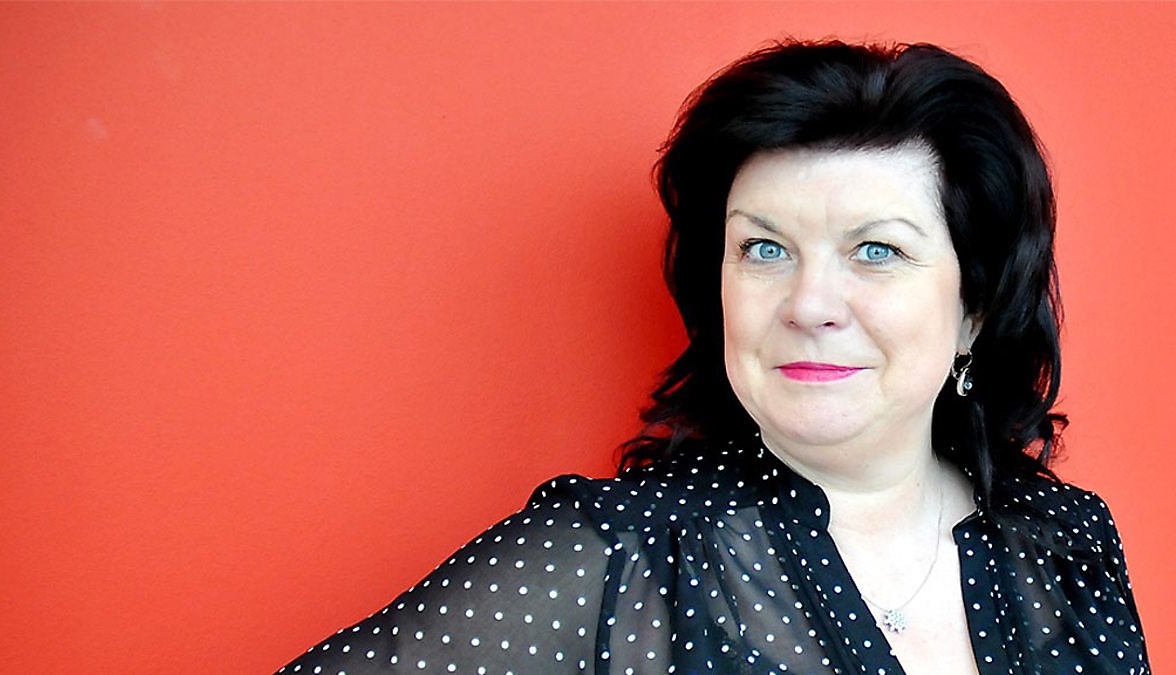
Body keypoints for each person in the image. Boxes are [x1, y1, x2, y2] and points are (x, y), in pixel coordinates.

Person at [279, 40, 1149, 674]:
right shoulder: (619, 554)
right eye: (764, 249)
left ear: (974, 309)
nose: (808, 303)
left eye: (876, 250)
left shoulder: (1068, 542)